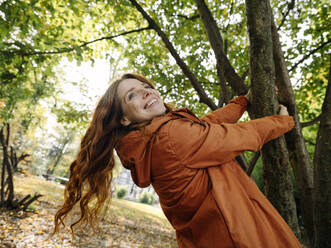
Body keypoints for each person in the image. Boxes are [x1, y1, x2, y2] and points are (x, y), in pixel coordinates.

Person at [53, 73, 302, 248]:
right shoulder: (169, 137)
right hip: (236, 234)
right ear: (125, 119)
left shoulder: (152, 140)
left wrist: (242, 102)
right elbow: (235, 136)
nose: (145, 92)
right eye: (132, 96)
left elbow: (208, 125)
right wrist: (283, 121)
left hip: (215, 235)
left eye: (144, 86)